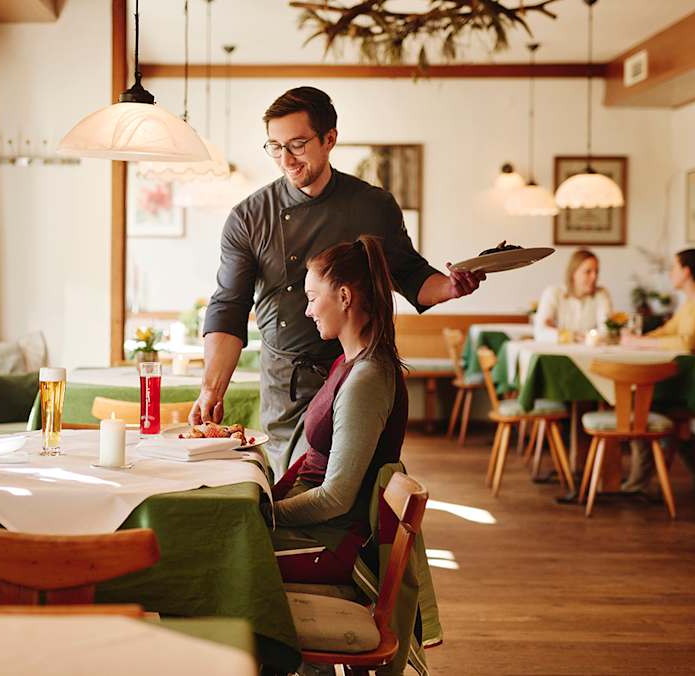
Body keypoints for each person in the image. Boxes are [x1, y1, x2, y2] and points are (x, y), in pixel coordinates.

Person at [193, 86, 484, 475]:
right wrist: (212, 388)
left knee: (351, 490)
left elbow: (412, 276)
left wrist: (452, 286)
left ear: (329, 138)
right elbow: (229, 305)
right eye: (275, 147)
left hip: (357, 374)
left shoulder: (372, 205)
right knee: (290, 483)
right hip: (287, 383)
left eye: (297, 144)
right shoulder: (250, 216)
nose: (286, 159)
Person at [271, 235, 407, 586]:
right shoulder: (348, 364)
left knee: (221, 554)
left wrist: (266, 514)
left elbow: (335, 498)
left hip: (334, 543)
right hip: (319, 529)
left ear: (344, 297)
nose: (307, 310)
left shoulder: (367, 378)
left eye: (313, 298)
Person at [620, 248, 695, 492]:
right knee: (639, 400)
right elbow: (669, 330)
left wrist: (639, 342)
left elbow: (689, 343)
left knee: (639, 402)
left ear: (686, 271)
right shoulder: (689, 302)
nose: (670, 273)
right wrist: (636, 338)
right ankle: (649, 473)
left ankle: (639, 478)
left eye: (674, 267)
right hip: (682, 377)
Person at [533, 248, 612, 342]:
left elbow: (607, 332)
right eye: (588, 272)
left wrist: (560, 333)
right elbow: (540, 333)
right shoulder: (553, 293)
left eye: (596, 272)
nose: (594, 277)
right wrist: (574, 336)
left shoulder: (601, 294)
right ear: (573, 273)